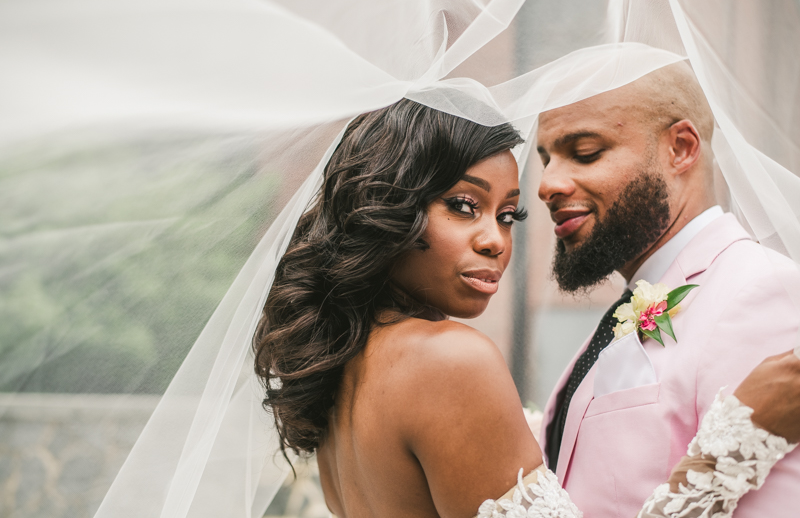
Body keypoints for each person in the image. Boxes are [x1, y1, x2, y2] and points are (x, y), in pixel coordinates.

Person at [253, 98, 800, 518]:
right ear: (387, 209)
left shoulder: (342, 375)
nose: (495, 241)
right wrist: (735, 449)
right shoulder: (448, 361)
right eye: (464, 206)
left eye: (508, 216)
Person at [538, 61, 800, 517]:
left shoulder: (760, 293)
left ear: (681, 148)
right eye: (545, 160)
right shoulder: (630, 306)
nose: (546, 185)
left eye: (584, 152)